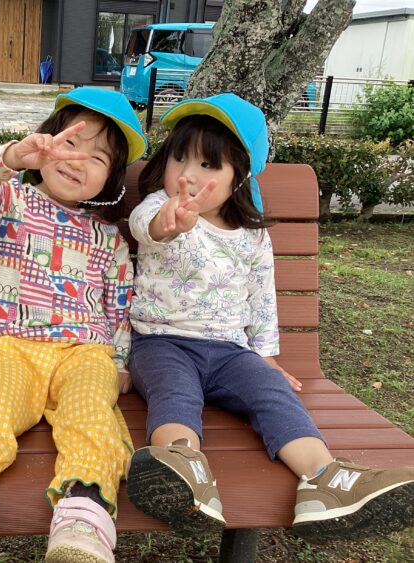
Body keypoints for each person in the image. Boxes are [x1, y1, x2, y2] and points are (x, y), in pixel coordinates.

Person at [125, 92, 414, 542]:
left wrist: (264, 355)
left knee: (273, 393)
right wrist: (170, 221)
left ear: (239, 175)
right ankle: (182, 469)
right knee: (174, 393)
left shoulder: (251, 235)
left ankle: (324, 479)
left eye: (208, 165)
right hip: (163, 341)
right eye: (179, 158)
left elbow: (261, 296)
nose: (187, 174)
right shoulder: (159, 206)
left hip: (230, 350)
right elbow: (147, 228)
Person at [0, 88, 147, 563]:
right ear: (45, 142)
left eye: (98, 157)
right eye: (70, 143)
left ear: (111, 178)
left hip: (83, 351)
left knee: (91, 416)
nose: (78, 161)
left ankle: (84, 514)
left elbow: (120, 304)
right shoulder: (8, 203)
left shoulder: (108, 238)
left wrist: (120, 361)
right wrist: (12, 157)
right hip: (11, 344)